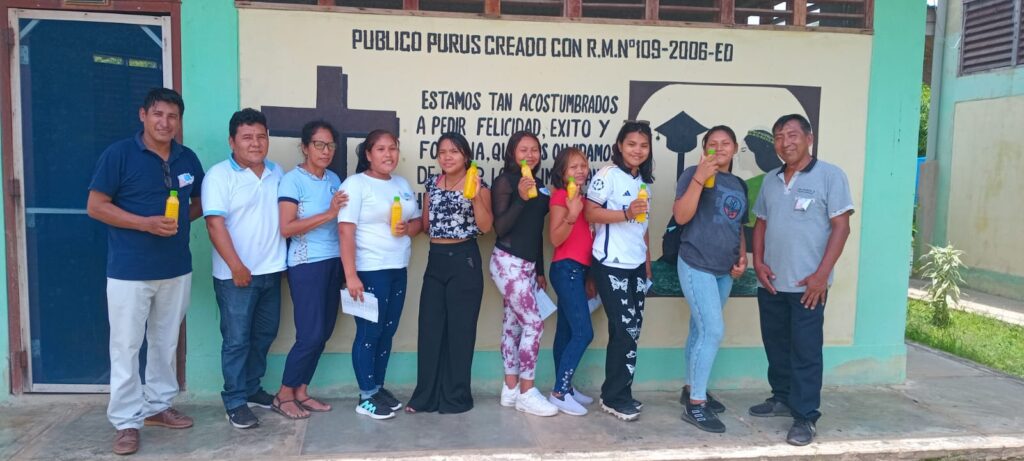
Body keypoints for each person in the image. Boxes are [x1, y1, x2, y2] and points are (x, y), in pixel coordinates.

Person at [87, 88, 203, 456]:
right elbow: (96, 206)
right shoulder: (120, 155)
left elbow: (198, 201)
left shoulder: (187, 159)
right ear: (143, 115)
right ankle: (125, 421)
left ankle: (157, 406)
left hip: (176, 267)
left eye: (172, 116)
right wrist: (145, 224)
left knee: (166, 341)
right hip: (129, 270)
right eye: (158, 114)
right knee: (125, 345)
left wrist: (178, 222)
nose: (165, 122)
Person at [749, 114, 853, 446]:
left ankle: (805, 417)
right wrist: (759, 262)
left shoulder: (830, 176)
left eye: (792, 135)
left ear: (809, 137)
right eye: (779, 136)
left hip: (809, 286)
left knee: (805, 352)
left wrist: (821, 276)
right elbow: (761, 223)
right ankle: (781, 396)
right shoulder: (770, 180)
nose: (785, 142)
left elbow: (841, 227)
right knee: (776, 345)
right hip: (772, 282)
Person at [202, 108, 287, 429]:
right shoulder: (219, 175)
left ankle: (252, 388)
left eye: (261, 137)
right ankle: (235, 399)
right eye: (247, 137)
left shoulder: (276, 172)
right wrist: (236, 266)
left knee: (264, 335)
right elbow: (214, 224)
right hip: (235, 276)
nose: (255, 143)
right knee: (236, 340)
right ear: (232, 141)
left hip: (272, 272)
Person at [406, 132, 493, 414]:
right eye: (442, 152)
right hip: (436, 259)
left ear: (465, 156)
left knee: (460, 332)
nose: (447, 157)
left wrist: (475, 196)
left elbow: (485, 226)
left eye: (453, 151)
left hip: (464, 260)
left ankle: (456, 397)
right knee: (430, 330)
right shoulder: (432, 184)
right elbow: (428, 224)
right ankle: (425, 397)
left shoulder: (478, 184)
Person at [338, 129, 422, 420]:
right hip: (369, 270)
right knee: (368, 333)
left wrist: (407, 228)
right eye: (381, 149)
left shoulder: (401, 183)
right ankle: (366, 396)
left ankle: (377, 386)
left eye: (393, 148)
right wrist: (351, 275)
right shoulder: (356, 184)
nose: (388, 154)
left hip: (398, 267)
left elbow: (417, 222)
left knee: (387, 331)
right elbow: (345, 231)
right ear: (368, 154)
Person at [672, 125, 749, 433]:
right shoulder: (692, 173)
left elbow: (738, 226)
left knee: (699, 328)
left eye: (725, 143)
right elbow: (681, 216)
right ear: (704, 149)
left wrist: (742, 258)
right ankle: (697, 405)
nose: (719, 148)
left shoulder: (740, 184)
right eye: (712, 143)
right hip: (695, 263)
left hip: (724, 269)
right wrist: (700, 179)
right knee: (713, 330)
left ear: (734, 148)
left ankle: (690, 389)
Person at [272, 121, 349, 419]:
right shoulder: (293, 181)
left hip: (333, 263)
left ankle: (301, 391)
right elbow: (286, 227)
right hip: (306, 265)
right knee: (310, 334)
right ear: (304, 147)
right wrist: (329, 213)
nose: (326, 150)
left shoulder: (333, 178)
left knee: (325, 331)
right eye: (319, 144)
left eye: (330, 145)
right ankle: (283, 394)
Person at [584, 121, 653, 422]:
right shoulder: (607, 175)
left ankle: (620, 392)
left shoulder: (643, 181)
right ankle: (613, 397)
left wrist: (647, 266)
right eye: (631, 144)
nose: (637, 150)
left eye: (643, 145)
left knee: (630, 331)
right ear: (620, 145)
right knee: (624, 329)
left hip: (636, 266)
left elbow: (643, 228)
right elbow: (590, 212)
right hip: (610, 264)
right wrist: (626, 213)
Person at [489, 131, 558, 417]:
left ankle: (510, 388)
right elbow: (501, 228)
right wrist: (519, 197)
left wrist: (539, 270)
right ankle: (527, 392)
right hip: (507, 262)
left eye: (535, 150)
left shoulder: (541, 186)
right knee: (534, 324)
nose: (529, 155)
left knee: (513, 325)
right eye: (523, 150)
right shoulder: (505, 182)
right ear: (512, 153)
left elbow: (535, 231)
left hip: (528, 266)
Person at [545, 147, 596, 416]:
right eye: (573, 167)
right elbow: (555, 238)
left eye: (583, 165)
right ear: (562, 173)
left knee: (565, 333)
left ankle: (565, 385)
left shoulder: (585, 200)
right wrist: (572, 213)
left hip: (579, 271)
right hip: (565, 270)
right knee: (583, 332)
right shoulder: (561, 197)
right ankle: (559, 392)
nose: (580, 170)